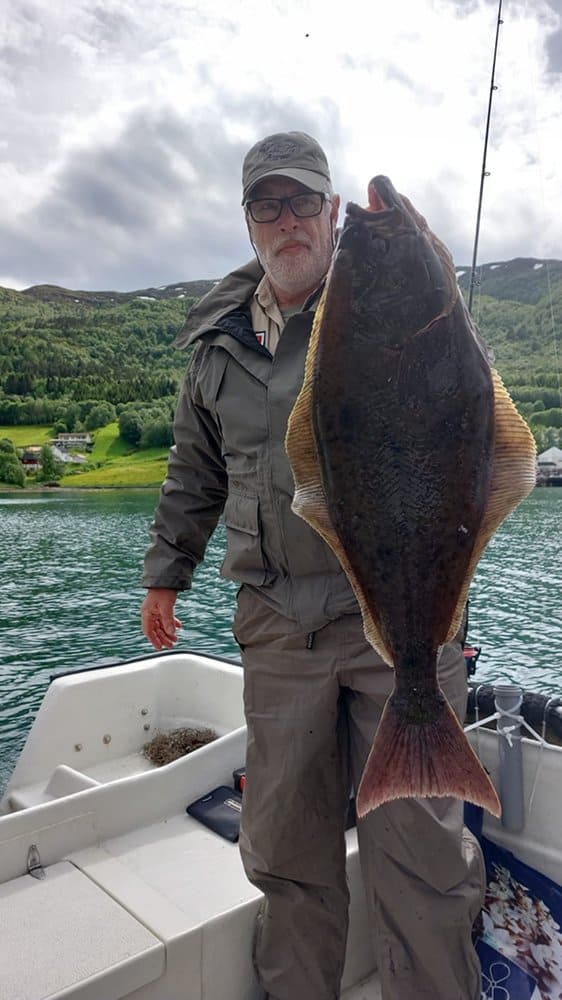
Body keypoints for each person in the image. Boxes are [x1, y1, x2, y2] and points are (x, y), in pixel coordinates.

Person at [140, 131, 486, 1000]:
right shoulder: (217, 345)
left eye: (305, 203)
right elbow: (196, 472)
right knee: (289, 857)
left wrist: (417, 257)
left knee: (422, 856)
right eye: (270, 206)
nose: (288, 221)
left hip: (397, 628)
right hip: (278, 627)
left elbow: (464, 418)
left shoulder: (378, 302)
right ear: (250, 222)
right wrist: (165, 570)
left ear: (334, 214)